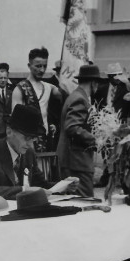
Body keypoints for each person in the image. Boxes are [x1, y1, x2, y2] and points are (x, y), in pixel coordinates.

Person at [0, 105, 78, 200]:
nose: (30, 144)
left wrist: (63, 185)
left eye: (33, 139)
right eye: (27, 138)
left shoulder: (29, 154)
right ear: (9, 132)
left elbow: (41, 185)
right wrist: (24, 190)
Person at [56, 64, 106, 197]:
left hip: (74, 160)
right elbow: (72, 127)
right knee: (83, 202)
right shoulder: (79, 98)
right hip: (76, 162)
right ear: (93, 83)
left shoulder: (77, 96)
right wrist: (96, 140)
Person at [12, 47, 62, 152]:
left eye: (44, 66)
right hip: (27, 143)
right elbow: (15, 123)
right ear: (29, 66)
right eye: (38, 66)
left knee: (45, 168)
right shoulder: (20, 89)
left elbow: (66, 95)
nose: (42, 70)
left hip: (45, 140)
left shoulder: (49, 87)